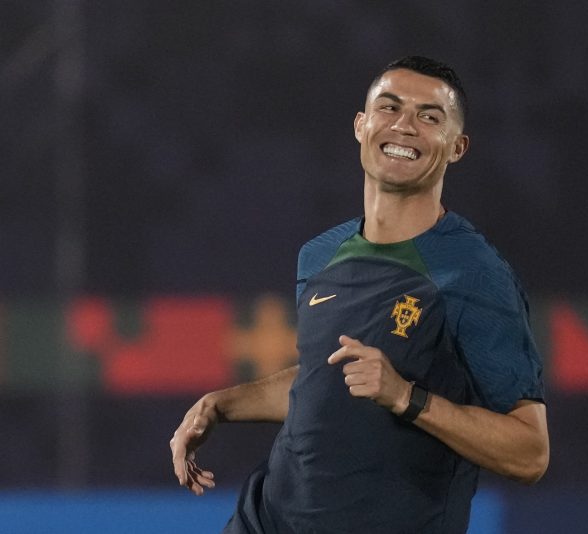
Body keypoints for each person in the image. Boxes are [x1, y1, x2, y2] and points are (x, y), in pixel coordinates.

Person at [170, 55, 549, 534]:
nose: (404, 126)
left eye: (429, 117)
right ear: (361, 125)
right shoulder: (319, 255)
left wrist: (407, 398)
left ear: (457, 147)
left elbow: (530, 453)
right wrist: (218, 405)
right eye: (389, 108)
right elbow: (322, 382)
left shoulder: (474, 273)